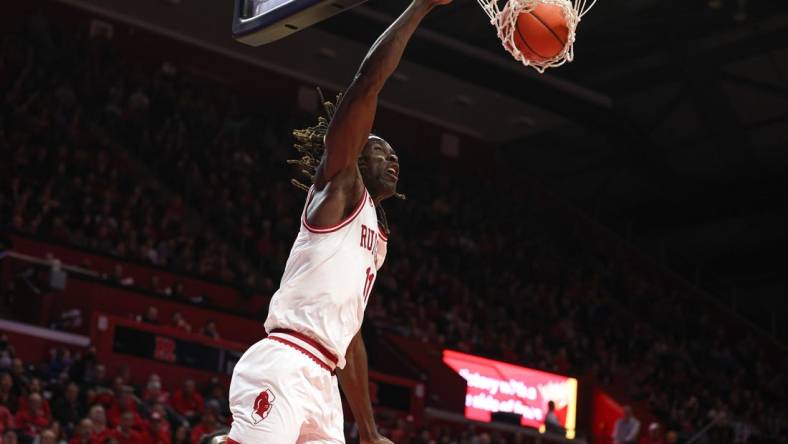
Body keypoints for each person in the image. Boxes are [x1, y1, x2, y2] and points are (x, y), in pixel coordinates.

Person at [226, 0, 452, 442]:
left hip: (324, 383)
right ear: (355, 155)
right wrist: (420, 8)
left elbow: (349, 337)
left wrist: (368, 430)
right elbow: (368, 84)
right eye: (380, 148)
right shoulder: (340, 187)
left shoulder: (377, 239)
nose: (393, 158)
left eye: (395, 154)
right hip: (285, 361)